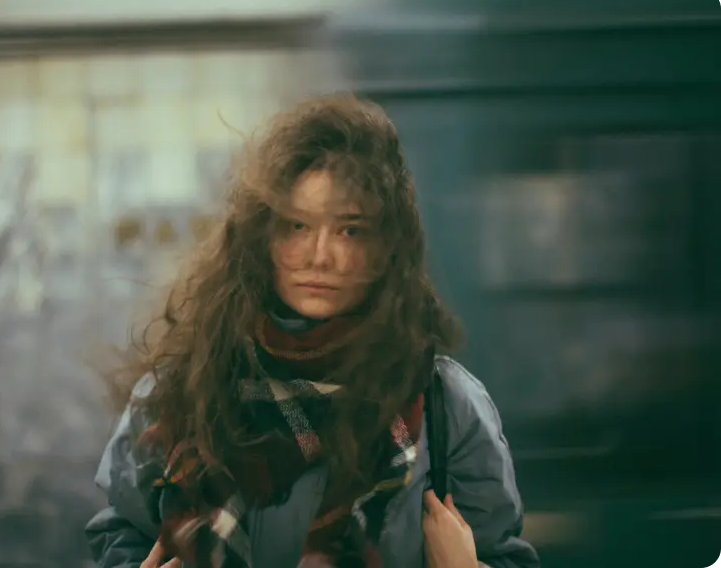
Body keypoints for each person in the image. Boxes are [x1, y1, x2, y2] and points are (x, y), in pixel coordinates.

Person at [85, 94, 540, 568]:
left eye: (350, 230)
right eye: (297, 226)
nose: (320, 256)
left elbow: (503, 553)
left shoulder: (445, 405)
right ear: (262, 237)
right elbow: (122, 534)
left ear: (386, 247)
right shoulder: (180, 391)